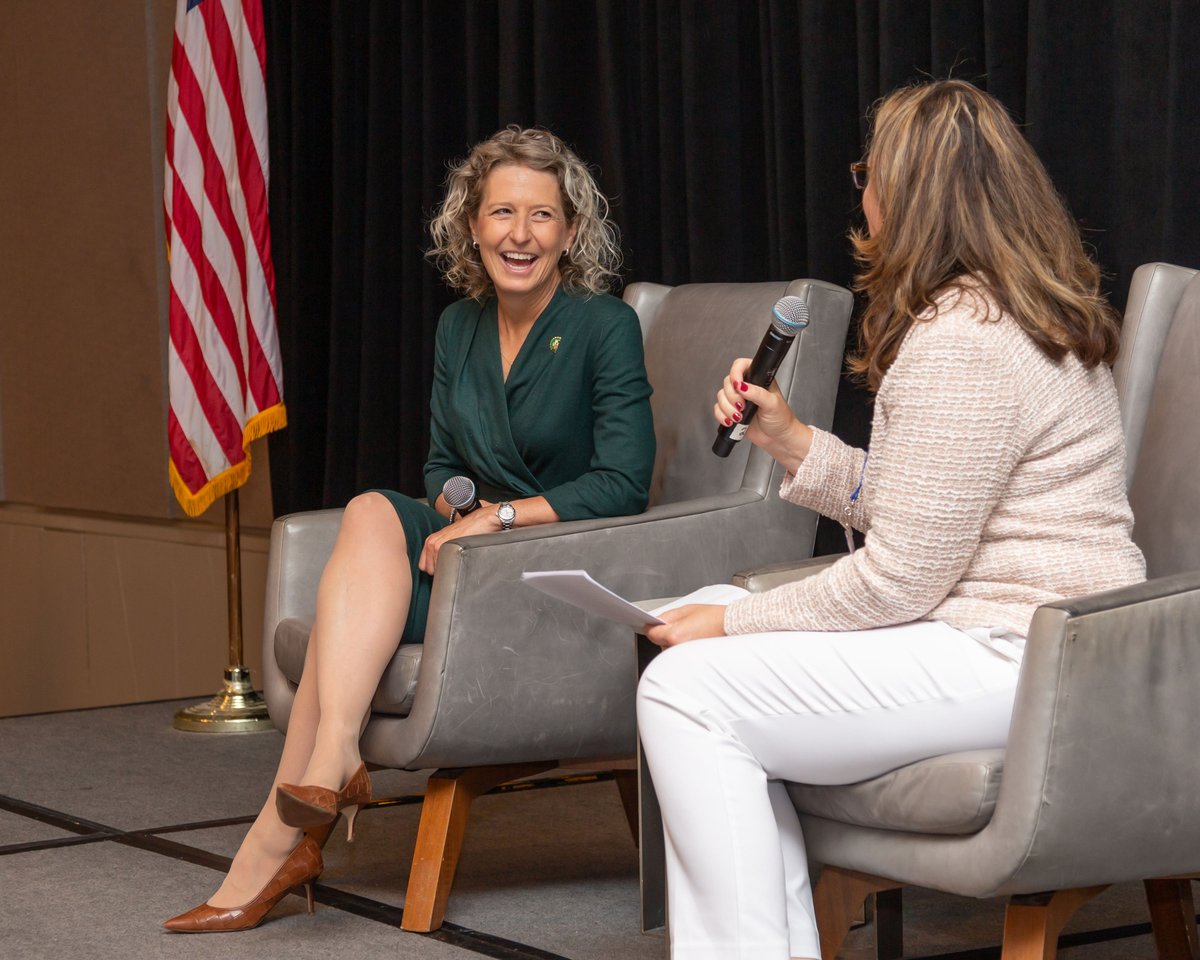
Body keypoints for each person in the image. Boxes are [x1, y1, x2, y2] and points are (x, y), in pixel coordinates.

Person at [636, 79, 1146, 960]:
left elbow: (904, 573)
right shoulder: (1016, 312)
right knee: (708, 626)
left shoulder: (963, 337)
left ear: (911, 197)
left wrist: (734, 622)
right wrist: (792, 441)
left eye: (869, 171)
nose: (859, 190)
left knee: (686, 689)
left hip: (1015, 656)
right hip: (1030, 641)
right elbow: (931, 510)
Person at [164, 126, 655, 933]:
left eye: (540, 216)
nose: (519, 235)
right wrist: (455, 513)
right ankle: (322, 781)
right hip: (464, 554)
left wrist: (492, 520)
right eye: (500, 212)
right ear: (471, 224)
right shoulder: (458, 328)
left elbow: (623, 484)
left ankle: (282, 836)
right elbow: (441, 466)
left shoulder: (604, 327)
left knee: (338, 618)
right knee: (368, 510)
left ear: (571, 231)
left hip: (545, 567)